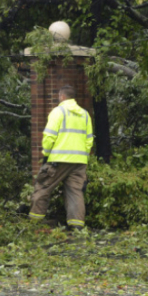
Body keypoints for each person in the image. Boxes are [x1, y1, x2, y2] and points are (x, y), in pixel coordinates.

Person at [28, 85, 94, 230]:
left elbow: (49, 136)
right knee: (75, 192)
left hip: (58, 159)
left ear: (62, 96)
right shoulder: (84, 114)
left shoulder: (58, 112)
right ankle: (76, 227)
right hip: (79, 162)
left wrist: (47, 155)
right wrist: (83, 155)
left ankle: (33, 223)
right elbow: (89, 140)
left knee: (43, 187)